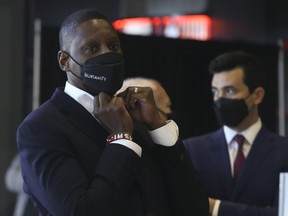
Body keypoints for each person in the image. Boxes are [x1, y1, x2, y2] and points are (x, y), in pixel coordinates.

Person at [16, 8, 209, 216]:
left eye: (113, 46)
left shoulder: (137, 114)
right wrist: (121, 140)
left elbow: (195, 207)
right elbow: (80, 211)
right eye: (91, 48)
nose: (106, 54)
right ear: (65, 61)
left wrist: (158, 124)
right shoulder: (41, 128)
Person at [183, 50, 288, 216]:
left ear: (257, 95)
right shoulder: (193, 149)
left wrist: (215, 207)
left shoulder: (284, 151)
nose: (220, 99)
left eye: (229, 91)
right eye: (215, 92)